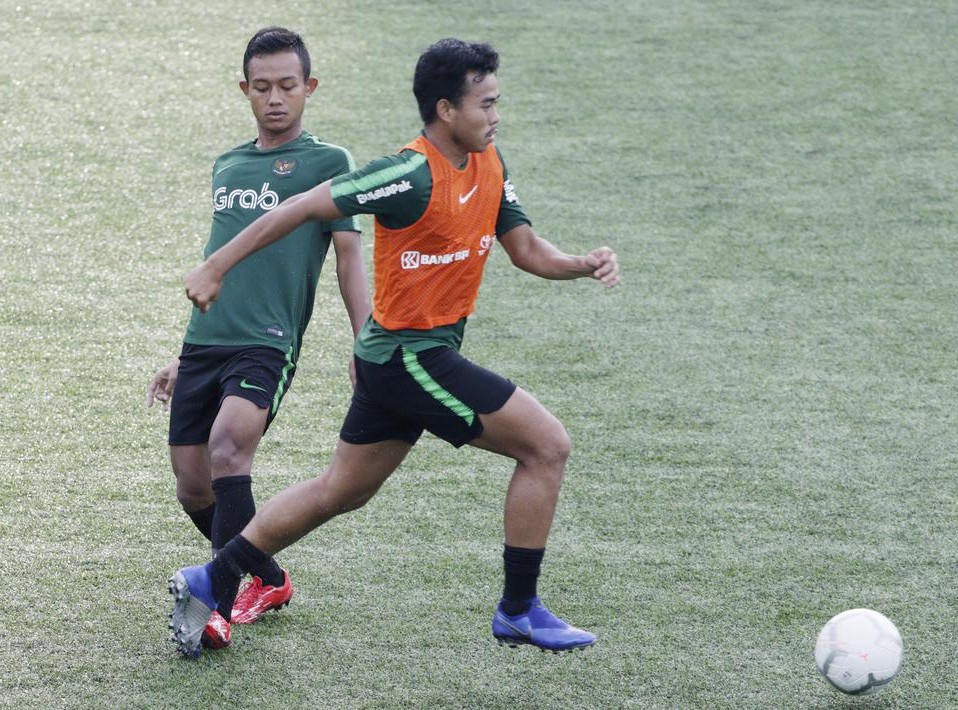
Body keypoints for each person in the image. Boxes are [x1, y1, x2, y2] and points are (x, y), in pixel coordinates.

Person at [167, 37, 620, 659]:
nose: (495, 115)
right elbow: (302, 206)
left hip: (398, 360)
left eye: (496, 102)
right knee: (547, 445)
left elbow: (527, 251)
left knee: (340, 492)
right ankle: (519, 608)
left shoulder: (491, 163)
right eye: (485, 104)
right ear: (446, 110)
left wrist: (581, 264)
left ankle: (212, 577)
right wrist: (216, 265)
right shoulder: (405, 173)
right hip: (409, 357)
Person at [147, 27, 370, 651]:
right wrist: (181, 350)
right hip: (205, 340)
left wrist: (365, 341)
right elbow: (220, 259)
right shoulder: (228, 164)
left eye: (288, 86)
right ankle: (267, 577)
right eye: (263, 87)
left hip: (267, 342)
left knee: (227, 451)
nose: (276, 98)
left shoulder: (332, 164)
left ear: (310, 88)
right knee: (193, 486)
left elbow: (349, 259)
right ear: (245, 89)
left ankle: (213, 601)